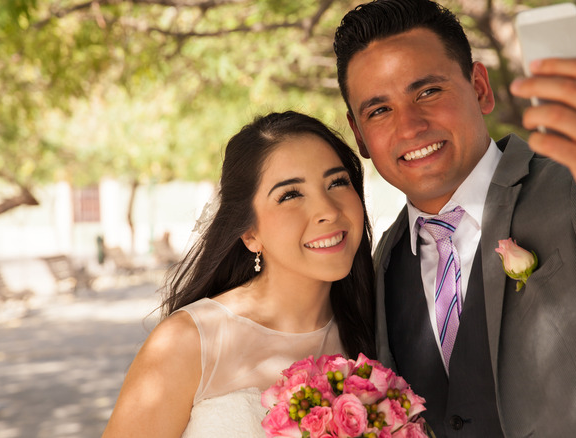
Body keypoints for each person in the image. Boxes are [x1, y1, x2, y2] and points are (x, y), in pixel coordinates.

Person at [333, 0, 576, 436]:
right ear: (359, 136)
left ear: (480, 88)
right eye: (379, 110)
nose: (410, 126)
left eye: (428, 92)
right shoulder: (379, 265)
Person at [102, 111, 375, 437]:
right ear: (249, 232)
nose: (328, 211)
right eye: (290, 195)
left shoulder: (375, 328)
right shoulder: (188, 342)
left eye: (338, 182)